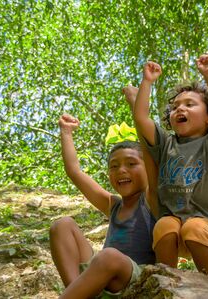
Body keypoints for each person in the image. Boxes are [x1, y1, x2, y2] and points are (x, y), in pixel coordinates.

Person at [133, 54, 208, 274]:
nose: (180, 109)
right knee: (164, 226)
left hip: (204, 224)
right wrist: (147, 82)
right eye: (175, 107)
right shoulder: (166, 143)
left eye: (190, 104)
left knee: (194, 228)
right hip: (172, 223)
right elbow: (140, 118)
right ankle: (167, 281)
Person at [50, 110, 157, 299]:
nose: (121, 170)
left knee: (108, 256)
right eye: (114, 166)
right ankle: (78, 293)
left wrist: (136, 105)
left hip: (135, 279)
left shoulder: (150, 199)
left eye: (131, 164)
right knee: (62, 225)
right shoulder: (113, 205)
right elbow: (74, 171)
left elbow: (152, 153)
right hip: (102, 276)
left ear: (148, 168)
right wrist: (66, 133)